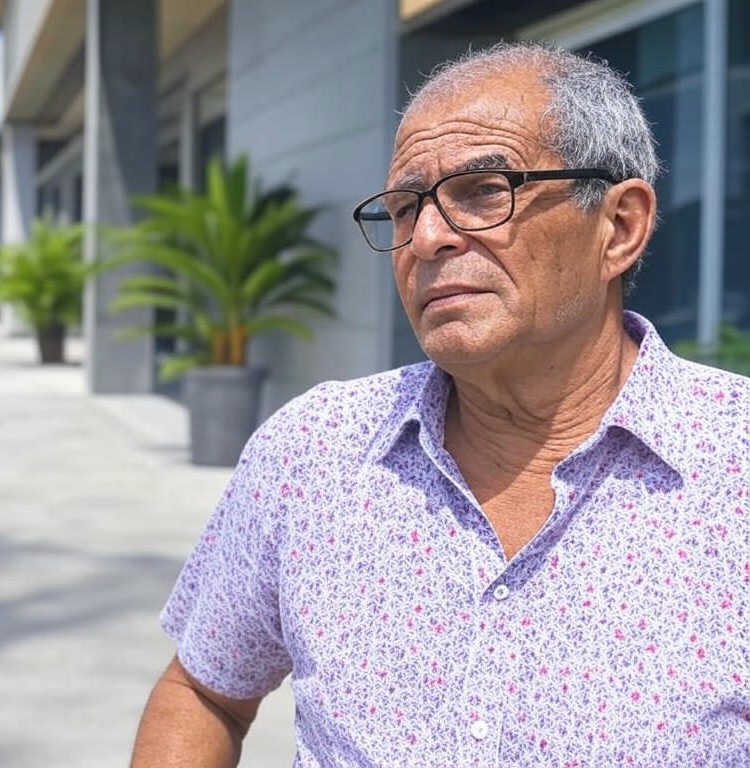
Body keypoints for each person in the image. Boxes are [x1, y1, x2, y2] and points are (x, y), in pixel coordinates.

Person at [131, 43, 750, 767]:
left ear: (618, 228)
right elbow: (204, 689)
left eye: (484, 190)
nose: (426, 238)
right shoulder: (313, 451)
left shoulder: (733, 465)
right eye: (404, 208)